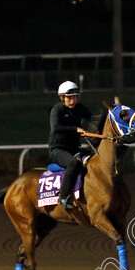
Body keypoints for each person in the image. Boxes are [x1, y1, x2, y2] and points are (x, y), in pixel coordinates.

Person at [49, 81, 92, 210]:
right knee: (73, 163)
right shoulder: (57, 110)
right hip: (58, 150)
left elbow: (94, 118)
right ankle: (63, 197)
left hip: (74, 149)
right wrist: (76, 129)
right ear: (62, 98)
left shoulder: (80, 108)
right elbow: (55, 128)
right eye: (69, 98)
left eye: (74, 97)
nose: (72, 101)